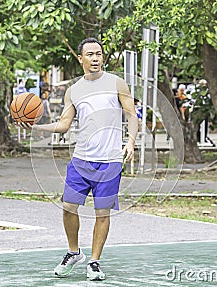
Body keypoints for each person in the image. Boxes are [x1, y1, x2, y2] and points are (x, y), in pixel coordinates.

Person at [19, 37, 138, 281]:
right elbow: (64, 124)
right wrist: (37, 128)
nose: (95, 58)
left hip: (110, 160)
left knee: (102, 213)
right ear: (80, 58)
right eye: (90, 54)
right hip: (82, 159)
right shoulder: (74, 91)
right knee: (68, 207)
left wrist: (131, 140)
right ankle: (74, 253)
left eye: (99, 54)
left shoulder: (117, 83)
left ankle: (94, 262)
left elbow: (131, 114)